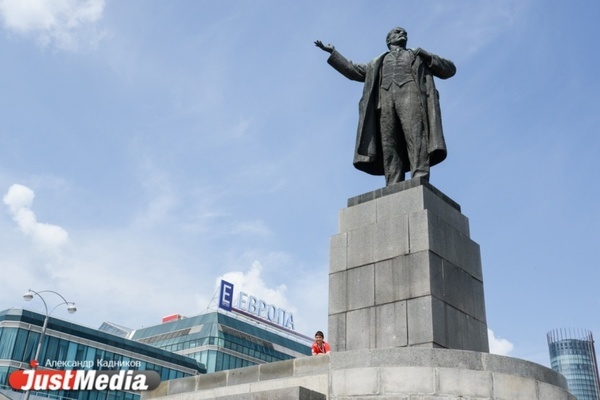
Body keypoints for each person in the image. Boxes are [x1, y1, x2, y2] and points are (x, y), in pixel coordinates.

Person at [315, 27, 456, 185]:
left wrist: (426, 54)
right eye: (397, 32)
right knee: (389, 144)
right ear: (389, 40)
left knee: (416, 137)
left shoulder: (417, 56)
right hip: (385, 102)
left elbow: (449, 70)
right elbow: (353, 70)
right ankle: (393, 183)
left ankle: (419, 177)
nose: (403, 34)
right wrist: (333, 53)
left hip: (411, 96)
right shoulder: (377, 63)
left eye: (404, 33)